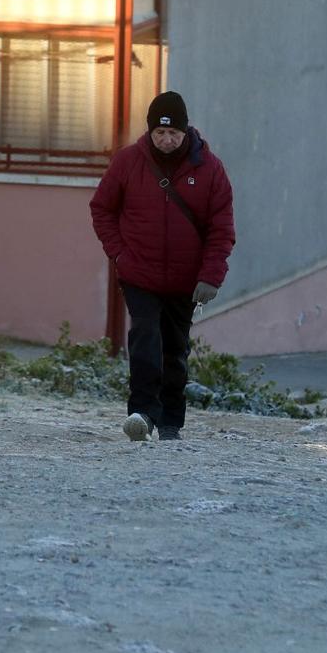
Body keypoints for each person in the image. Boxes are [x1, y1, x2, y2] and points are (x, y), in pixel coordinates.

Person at [90, 91, 236, 442]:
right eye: (160, 133)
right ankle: (141, 414)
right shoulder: (127, 162)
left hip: (186, 280)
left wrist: (210, 277)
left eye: (173, 133)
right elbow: (102, 209)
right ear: (150, 132)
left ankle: (171, 420)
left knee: (174, 348)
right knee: (144, 338)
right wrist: (120, 254)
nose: (167, 140)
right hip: (139, 273)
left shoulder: (210, 169)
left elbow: (222, 228)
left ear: (186, 131)